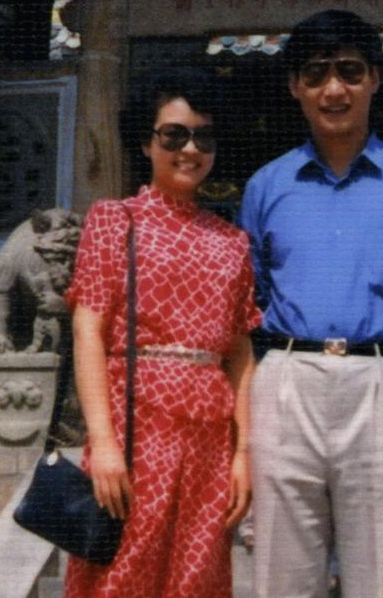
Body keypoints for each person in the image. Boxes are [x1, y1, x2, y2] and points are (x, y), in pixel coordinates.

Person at [238, 10, 383, 597]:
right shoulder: (267, 187)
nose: (333, 89)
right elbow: (249, 298)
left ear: (375, 78)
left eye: (348, 70)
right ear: (294, 86)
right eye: (316, 74)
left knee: (380, 575)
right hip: (286, 380)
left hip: (382, 380)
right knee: (281, 576)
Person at [64, 68, 260, 598]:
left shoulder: (232, 242)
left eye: (204, 136)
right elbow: (88, 331)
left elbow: (240, 352)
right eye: (174, 135)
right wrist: (102, 441)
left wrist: (244, 452)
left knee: (197, 579)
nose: (189, 148)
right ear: (146, 142)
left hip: (209, 438)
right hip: (134, 428)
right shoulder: (115, 220)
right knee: (121, 574)